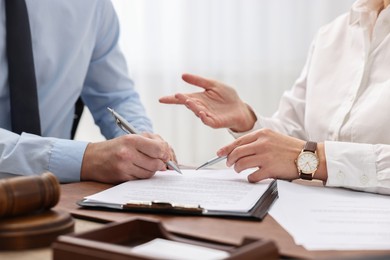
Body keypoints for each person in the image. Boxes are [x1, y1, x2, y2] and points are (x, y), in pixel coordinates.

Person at [160, 0, 390, 195]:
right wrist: (247, 120)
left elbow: (302, 154)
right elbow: (294, 137)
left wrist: (318, 158)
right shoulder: (332, 34)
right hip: (317, 218)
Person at [0, 0, 176, 184]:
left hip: (57, 196)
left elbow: (116, 97)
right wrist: (86, 159)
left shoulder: (92, 5)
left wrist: (141, 141)